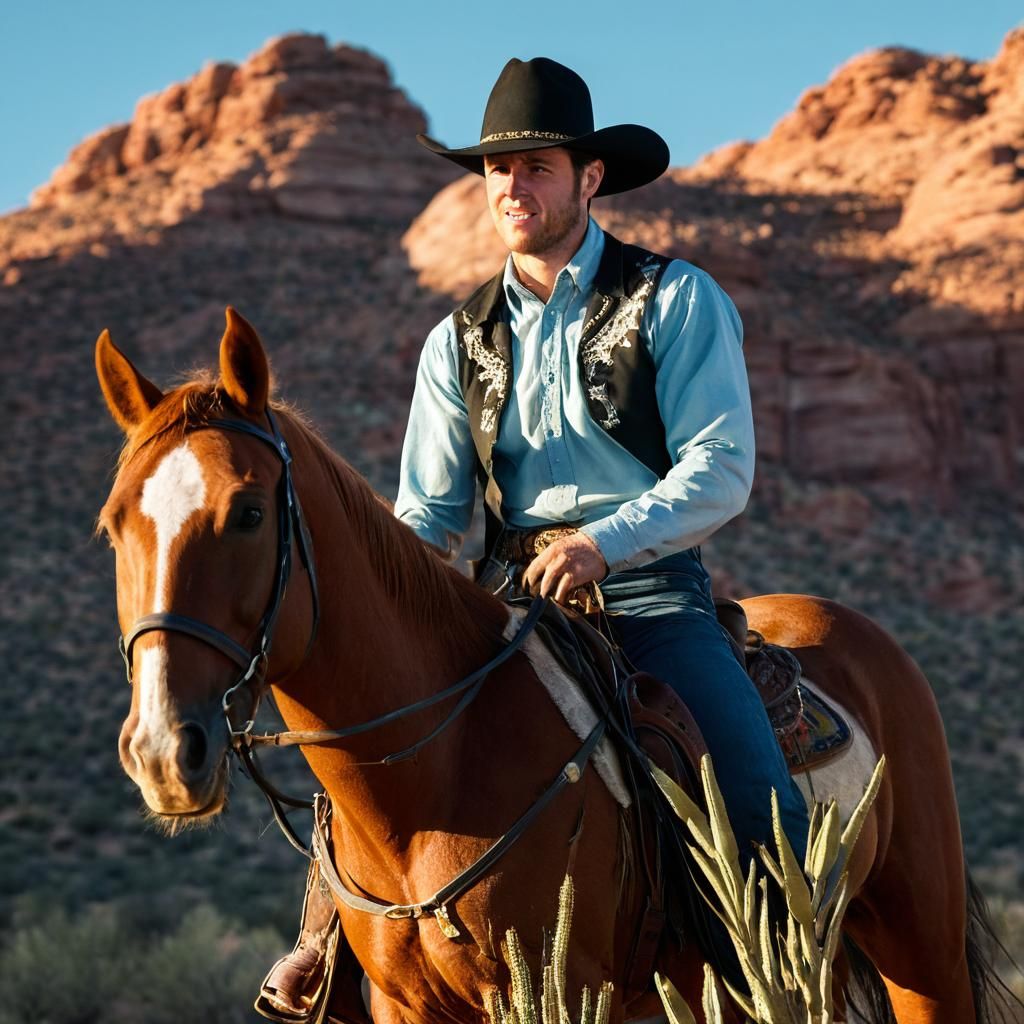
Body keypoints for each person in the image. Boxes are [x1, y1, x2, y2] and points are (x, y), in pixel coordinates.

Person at [258, 56, 808, 1023]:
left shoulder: (673, 300)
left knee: (755, 794)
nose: (514, 188)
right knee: (375, 752)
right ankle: (328, 943)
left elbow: (720, 470)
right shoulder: (454, 341)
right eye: (497, 171)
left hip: (646, 594)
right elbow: (431, 514)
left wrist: (604, 541)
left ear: (591, 177)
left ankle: (790, 953)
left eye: (539, 166)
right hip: (502, 600)